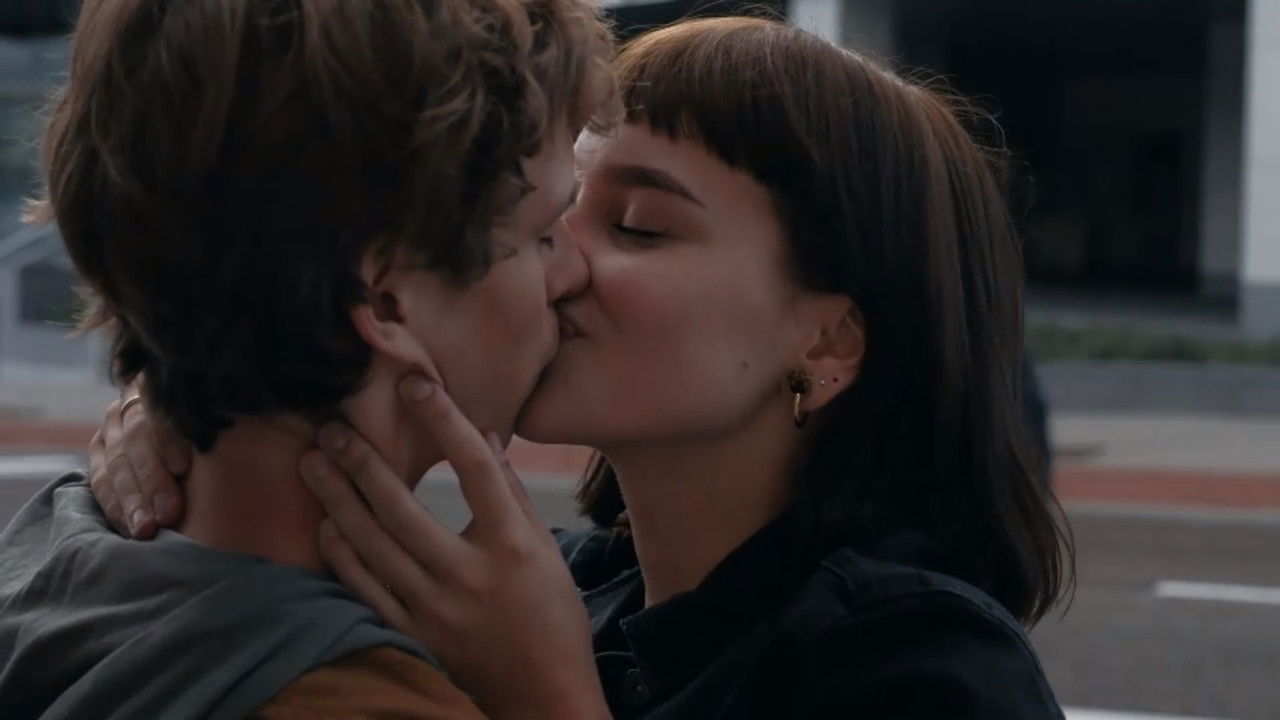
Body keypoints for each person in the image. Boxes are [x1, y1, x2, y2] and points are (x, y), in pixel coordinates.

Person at [89, 16, 1074, 719]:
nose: (552, 266)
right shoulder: (549, 586)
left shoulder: (924, 670)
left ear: (827, 343)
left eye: (638, 226)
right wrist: (187, 399)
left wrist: (548, 699)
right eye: (548, 214)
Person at [0, 0, 615, 717]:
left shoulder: (46, 561)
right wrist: (558, 697)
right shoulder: (367, 703)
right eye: (544, 235)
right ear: (386, 303)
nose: (574, 272)